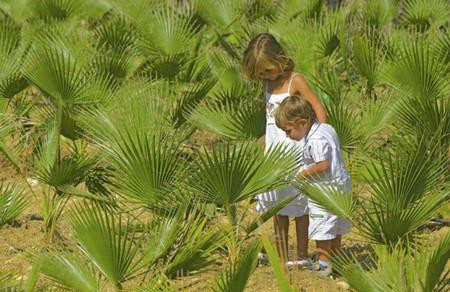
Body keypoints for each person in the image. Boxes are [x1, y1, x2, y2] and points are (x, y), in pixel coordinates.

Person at [242, 33, 327, 265]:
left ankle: (300, 255)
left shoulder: (295, 81)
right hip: (273, 157)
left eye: (267, 70)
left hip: (296, 153)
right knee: (277, 209)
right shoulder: (267, 83)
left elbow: (318, 108)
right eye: (260, 73)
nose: (264, 76)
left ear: (279, 59)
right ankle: (280, 256)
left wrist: (320, 138)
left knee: (300, 208)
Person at [274, 95, 351, 276]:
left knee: (322, 229)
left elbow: (322, 165)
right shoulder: (326, 128)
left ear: (302, 123)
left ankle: (324, 267)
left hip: (324, 192)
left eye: (288, 130)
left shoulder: (315, 140)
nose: (287, 135)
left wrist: (301, 174)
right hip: (340, 188)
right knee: (336, 227)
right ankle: (337, 261)